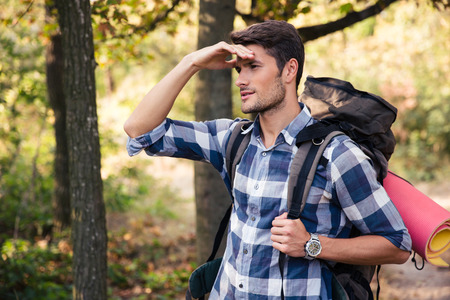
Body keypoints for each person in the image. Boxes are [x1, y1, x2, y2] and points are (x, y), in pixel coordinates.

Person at [124, 20, 412, 299]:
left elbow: (397, 245)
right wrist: (191, 63)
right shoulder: (232, 138)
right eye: (238, 69)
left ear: (289, 70)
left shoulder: (336, 154)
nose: (240, 80)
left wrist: (312, 244)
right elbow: (140, 130)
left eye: (253, 67)